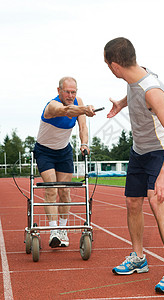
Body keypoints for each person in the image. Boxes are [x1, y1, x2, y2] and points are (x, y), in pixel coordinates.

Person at [104, 37, 164, 294]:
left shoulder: (152, 89)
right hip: (139, 151)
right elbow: (134, 90)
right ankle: (139, 258)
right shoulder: (134, 77)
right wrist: (121, 103)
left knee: (156, 201)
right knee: (132, 202)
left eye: (108, 65)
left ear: (115, 66)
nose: (109, 69)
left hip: (159, 150)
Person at [34, 76, 95, 248]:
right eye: (67, 91)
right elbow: (67, 111)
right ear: (59, 90)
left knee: (65, 192)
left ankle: (62, 230)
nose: (70, 95)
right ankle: (53, 230)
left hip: (64, 151)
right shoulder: (52, 105)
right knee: (51, 190)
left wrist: (84, 144)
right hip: (44, 151)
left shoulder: (78, 102)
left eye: (73, 92)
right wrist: (84, 109)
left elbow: (83, 127)